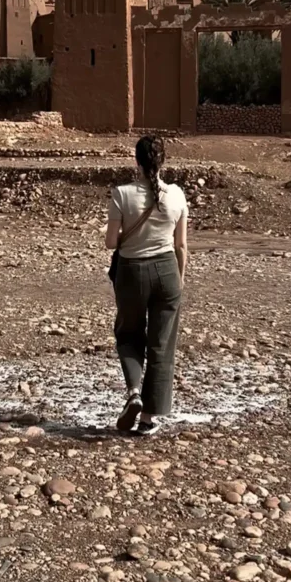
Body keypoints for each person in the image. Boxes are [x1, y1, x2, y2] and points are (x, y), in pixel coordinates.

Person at [105, 134, 188, 435]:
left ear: (137, 162)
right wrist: (179, 280)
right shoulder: (177, 195)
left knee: (128, 333)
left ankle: (133, 393)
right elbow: (181, 246)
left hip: (131, 272)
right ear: (163, 161)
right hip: (168, 272)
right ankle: (148, 420)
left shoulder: (122, 194)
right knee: (162, 344)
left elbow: (110, 242)